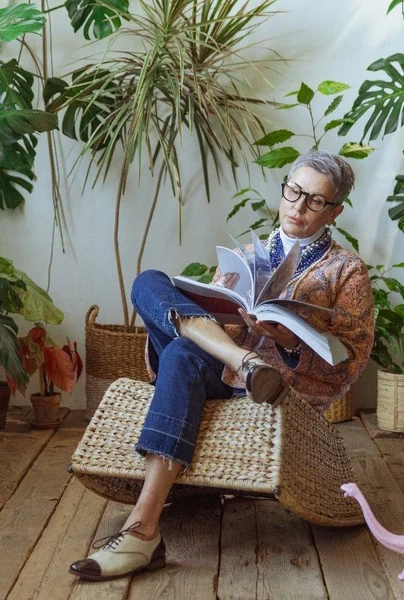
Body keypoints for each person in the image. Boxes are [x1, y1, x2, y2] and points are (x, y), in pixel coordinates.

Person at [69, 150, 375, 581]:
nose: (298, 207)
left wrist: (286, 342)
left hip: (269, 382)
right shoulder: (248, 252)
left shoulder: (347, 272)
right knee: (149, 282)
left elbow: (350, 356)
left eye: (315, 201)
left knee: (179, 354)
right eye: (293, 191)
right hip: (225, 361)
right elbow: (215, 317)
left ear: (335, 211)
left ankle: (141, 531)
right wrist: (232, 329)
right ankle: (244, 361)